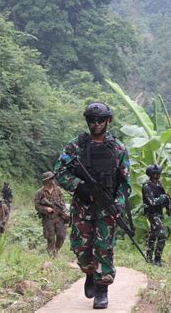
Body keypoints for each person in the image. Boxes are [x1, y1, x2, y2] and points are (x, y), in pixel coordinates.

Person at [54, 102, 131, 309]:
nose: (96, 124)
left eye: (100, 120)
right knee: (81, 248)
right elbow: (59, 171)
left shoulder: (118, 148)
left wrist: (118, 205)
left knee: (104, 247)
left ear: (108, 120)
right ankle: (89, 272)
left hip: (107, 207)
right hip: (82, 208)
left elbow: (125, 184)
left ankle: (102, 289)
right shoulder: (75, 146)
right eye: (91, 120)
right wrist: (79, 187)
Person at [141, 164, 171, 266]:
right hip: (151, 213)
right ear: (150, 175)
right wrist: (163, 197)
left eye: (158, 174)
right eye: (154, 174)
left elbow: (166, 200)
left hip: (158, 212)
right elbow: (152, 202)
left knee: (153, 235)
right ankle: (157, 259)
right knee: (162, 234)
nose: (156, 176)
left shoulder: (159, 185)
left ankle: (148, 258)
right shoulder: (146, 185)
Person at [34, 171, 69, 257]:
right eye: (50, 178)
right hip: (48, 218)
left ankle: (55, 251)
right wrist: (46, 209)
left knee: (62, 236)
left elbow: (62, 202)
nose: (52, 180)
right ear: (46, 180)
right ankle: (52, 255)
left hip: (59, 217)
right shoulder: (40, 192)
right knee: (50, 238)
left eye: (53, 178)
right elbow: (37, 206)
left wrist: (64, 211)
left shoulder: (58, 190)